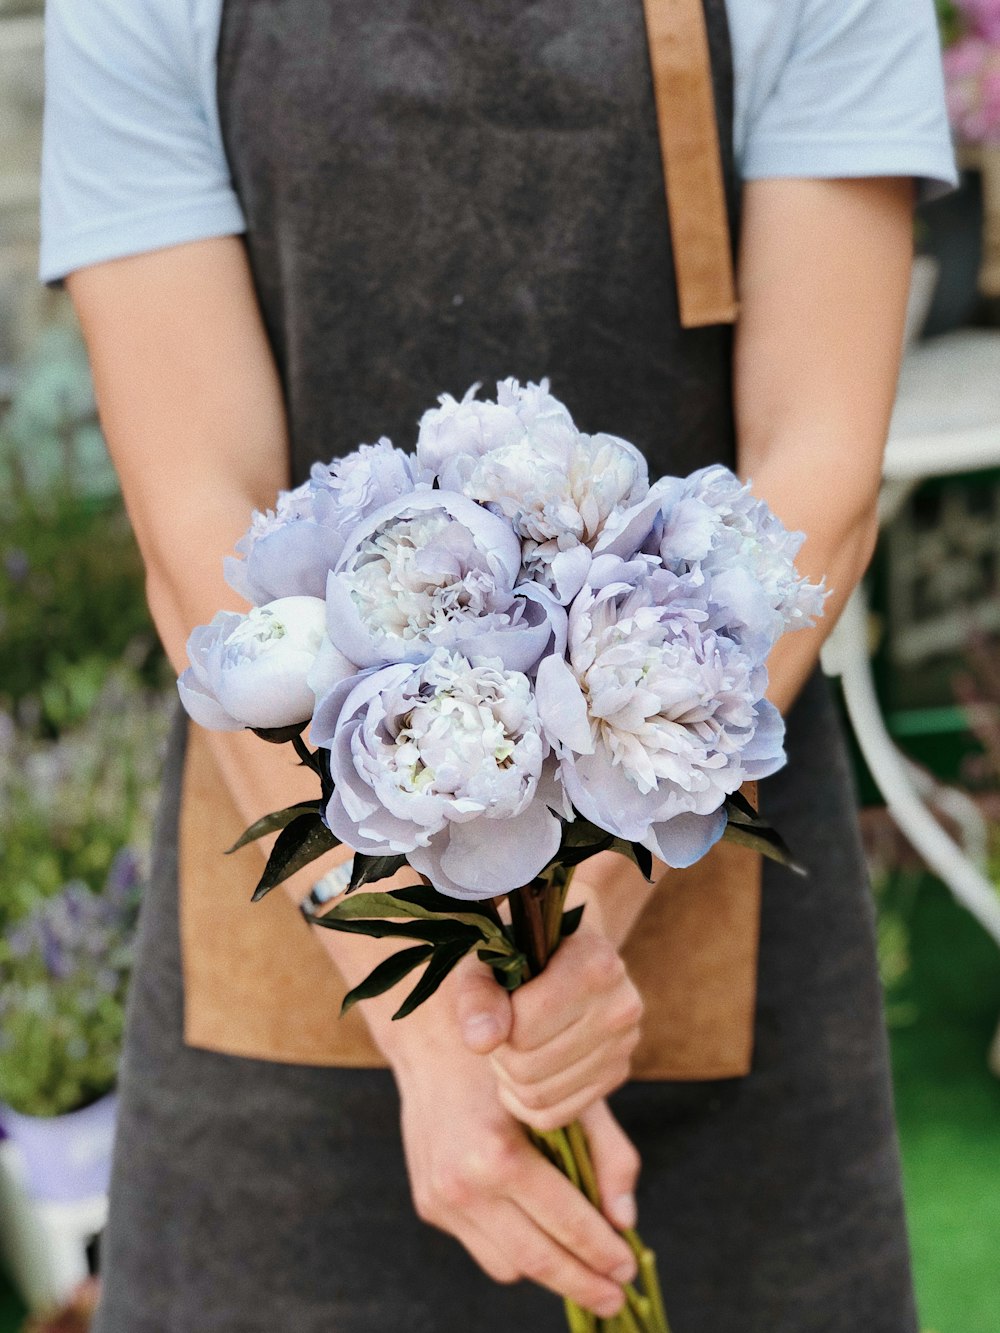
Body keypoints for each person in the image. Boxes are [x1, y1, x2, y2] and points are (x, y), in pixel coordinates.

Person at [39, 1, 957, 1330]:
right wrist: (440, 1015)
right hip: (296, 900)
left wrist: (575, 922)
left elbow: (820, 464)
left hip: (698, 881)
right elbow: (197, 536)